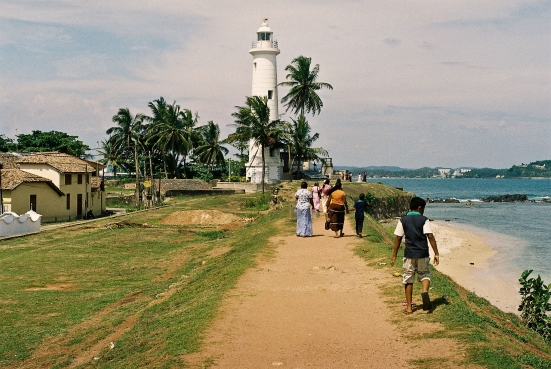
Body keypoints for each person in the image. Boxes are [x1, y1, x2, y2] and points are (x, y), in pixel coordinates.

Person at [390, 197, 440, 314]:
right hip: (422, 253)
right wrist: (436, 253)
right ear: (419, 208)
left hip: (409, 253)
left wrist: (394, 256)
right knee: (425, 274)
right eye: (423, 209)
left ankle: (409, 308)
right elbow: (430, 236)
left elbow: (398, 238)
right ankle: (424, 291)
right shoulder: (424, 220)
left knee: (408, 279)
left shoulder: (403, 220)